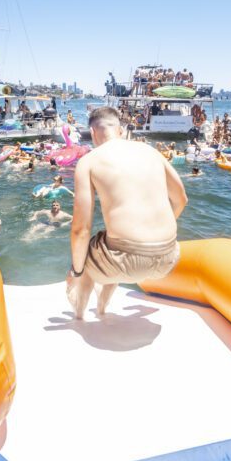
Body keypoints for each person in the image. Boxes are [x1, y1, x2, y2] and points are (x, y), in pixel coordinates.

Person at [67, 106, 187, 319]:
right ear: (120, 130)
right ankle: (102, 307)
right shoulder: (151, 152)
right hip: (169, 257)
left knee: (86, 259)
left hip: (127, 262)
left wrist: (75, 272)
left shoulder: (89, 161)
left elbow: (81, 229)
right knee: (109, 244)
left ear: (93, 133)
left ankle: (79, 315)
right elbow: (181, 199)